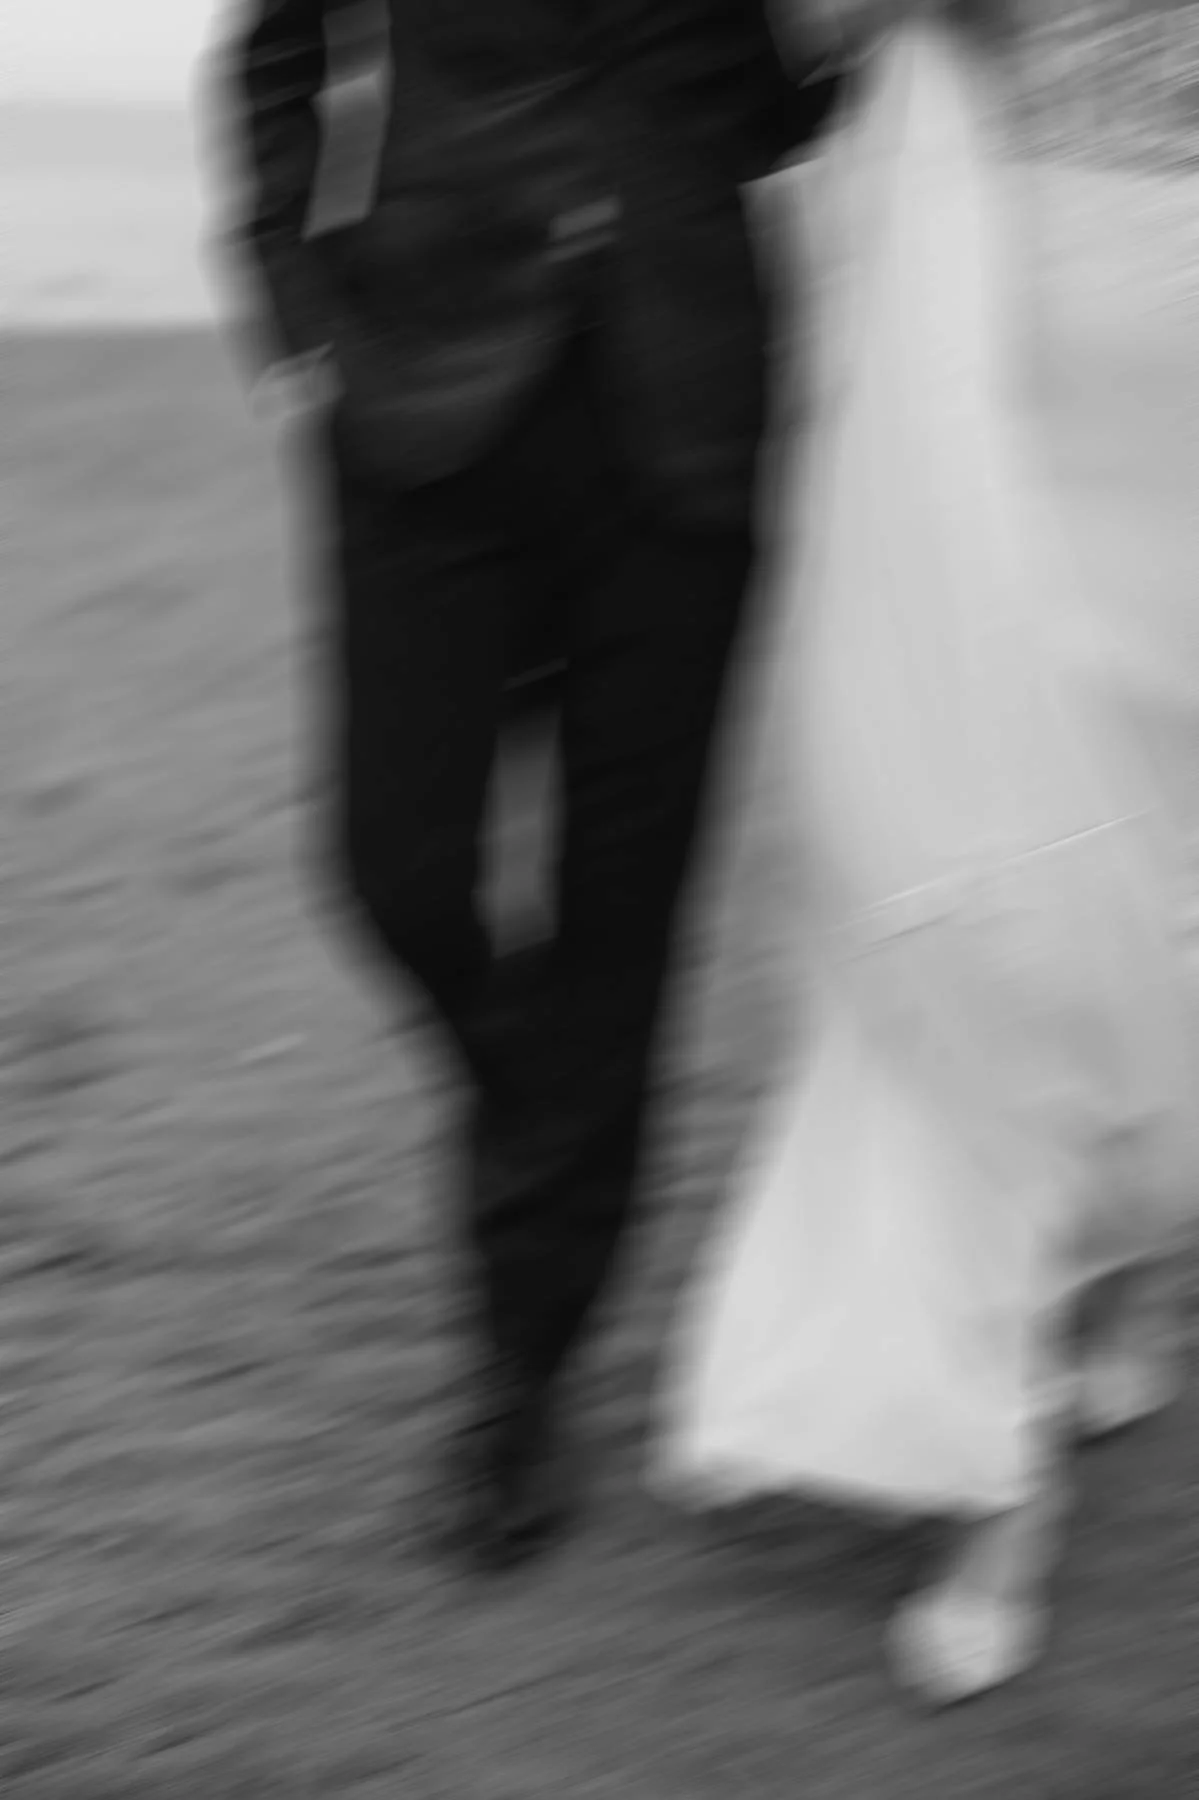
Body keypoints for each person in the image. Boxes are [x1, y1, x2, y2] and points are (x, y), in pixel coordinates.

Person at [216, 1, 850, 1573]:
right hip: (415, 393)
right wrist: (294, 318)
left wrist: (831, 38)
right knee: (397, 872)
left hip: (682, 413)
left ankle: (517, 1390)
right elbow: (275, 59)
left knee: (619, 924)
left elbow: (770, 116)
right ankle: (553, 1118)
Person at [654, 0, 1199, 1706]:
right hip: (1015, 375)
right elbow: (811, 27)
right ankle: (997, 1485)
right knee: (1004, 910)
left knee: (1164, 890)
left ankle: (1134, 1273)